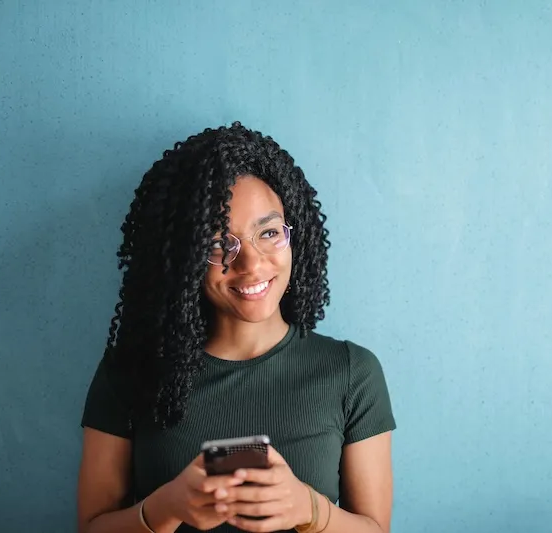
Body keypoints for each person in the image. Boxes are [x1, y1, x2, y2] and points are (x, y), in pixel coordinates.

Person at [77, 122, 396, 533]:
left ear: (293, 232)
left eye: (268, 233)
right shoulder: (128, 373)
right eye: (217, 244)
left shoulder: (351, 373)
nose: (252, 264)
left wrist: (310, 510)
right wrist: (166, 506)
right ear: (184, 257)